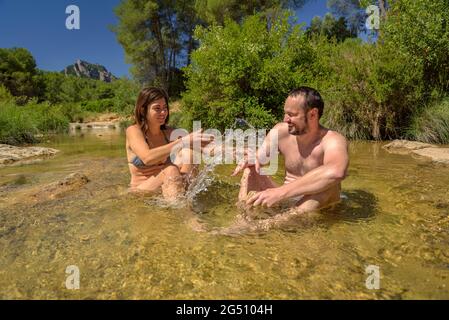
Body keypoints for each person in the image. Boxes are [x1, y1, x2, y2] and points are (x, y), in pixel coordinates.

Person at [230, 86, 349, 232]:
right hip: (285, 200)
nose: (286, 119)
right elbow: (261, 156)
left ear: (312, 114)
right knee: (251, 169)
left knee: (330, 187)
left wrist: (280, 192)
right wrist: (252, 158)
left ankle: (260, 227)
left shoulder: (333, 140)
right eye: (285, 113)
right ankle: (242, 220)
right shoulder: (281, 131)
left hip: (313, 202)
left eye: (291, 114)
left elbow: (337, 172)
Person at [126, 87, 211, 201]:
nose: (163, 112)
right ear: (142, 110)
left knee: (189, 153)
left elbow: (204, 146)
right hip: (143, 190)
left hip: (169, 186)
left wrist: (237, 151)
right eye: (157, 108)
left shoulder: (169, 132)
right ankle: (187, 216)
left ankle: (189, 201)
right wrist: (183, 141)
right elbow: (147, 158)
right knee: (170, 169)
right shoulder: (133, 131)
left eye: (165, 108)